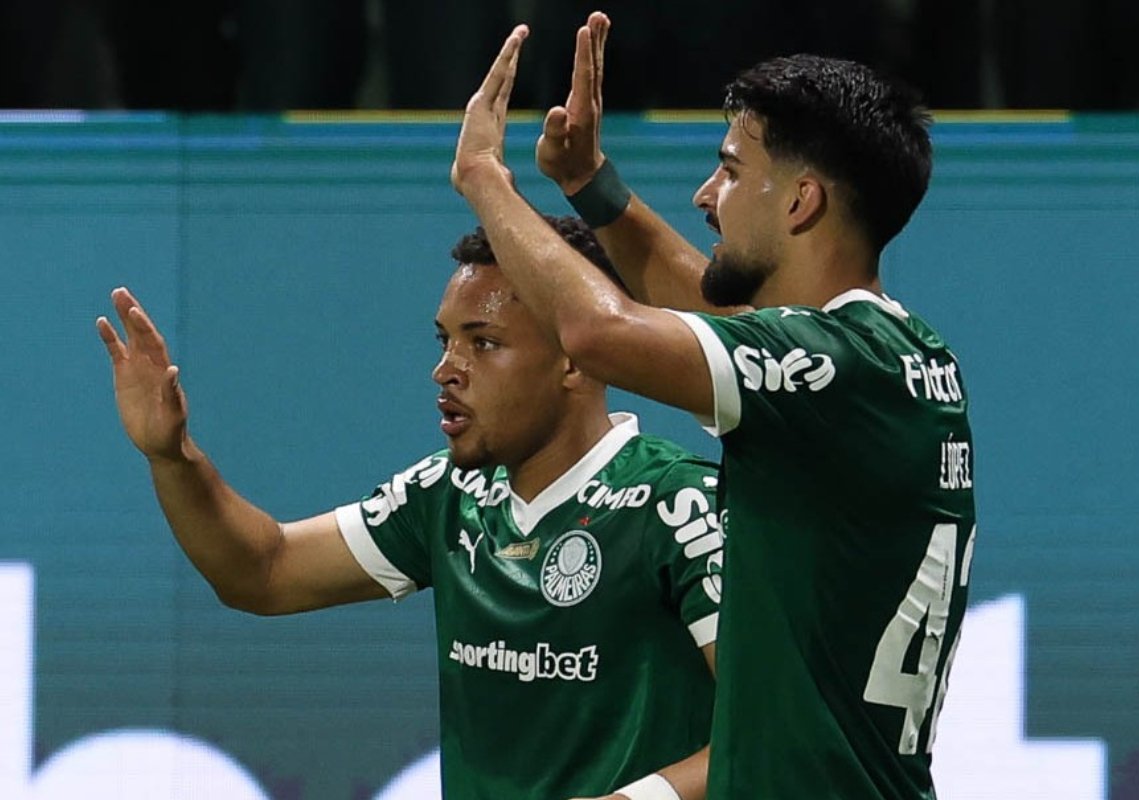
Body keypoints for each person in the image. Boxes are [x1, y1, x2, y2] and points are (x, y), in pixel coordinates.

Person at [450, 15, 976, 799]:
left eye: (730, 171)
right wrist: (590, 184)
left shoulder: (837, 370)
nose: (705, 195)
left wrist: (486, 180)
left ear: (800, 201)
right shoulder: (894, 357)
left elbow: (599, 332)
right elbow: (706, 313)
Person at [95, 216, 721, 800]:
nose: (445, 370)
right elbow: (262, 572)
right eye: (445, 340)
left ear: (577, 358)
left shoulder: (678, 505)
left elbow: (780, 730)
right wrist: (173, 457)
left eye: (484, 343)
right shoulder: (447, 496)